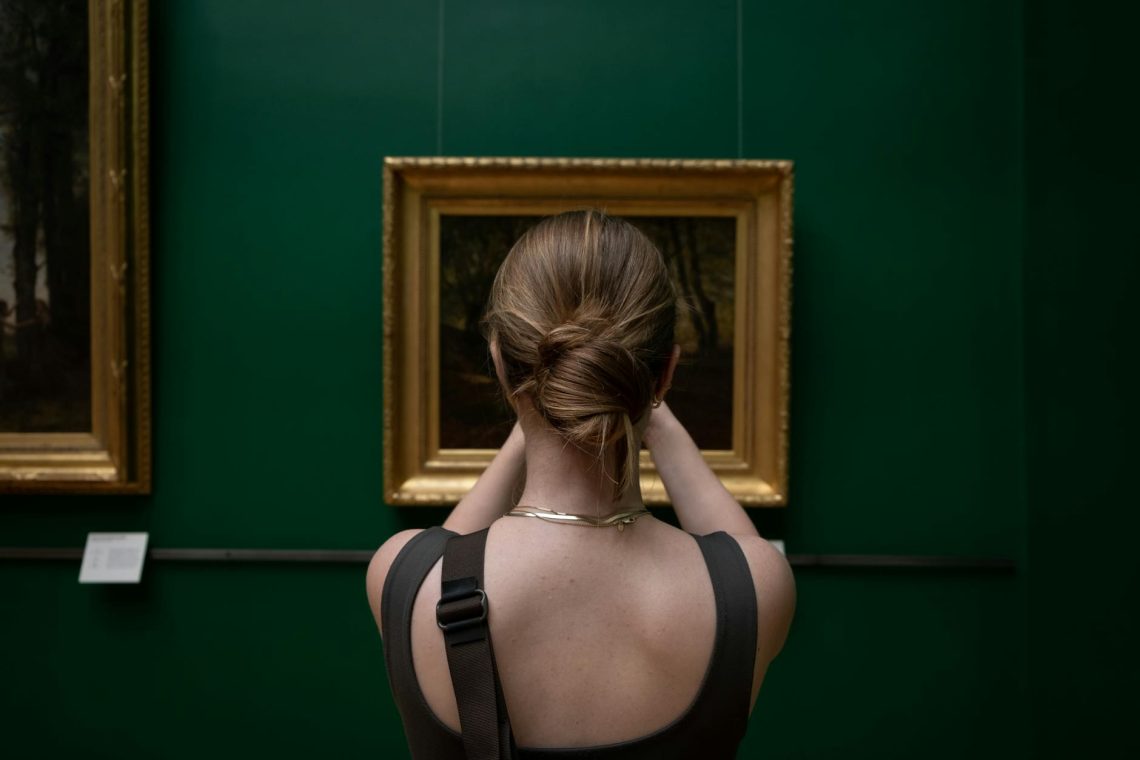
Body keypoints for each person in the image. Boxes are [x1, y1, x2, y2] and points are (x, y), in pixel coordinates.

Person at [367, 210, 795, 759]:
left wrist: (540, 411)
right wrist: (646, 409)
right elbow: (743, 552)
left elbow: (445, 552)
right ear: (665, 373)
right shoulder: (753, 591)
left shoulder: (403, 577)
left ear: (500, 365)